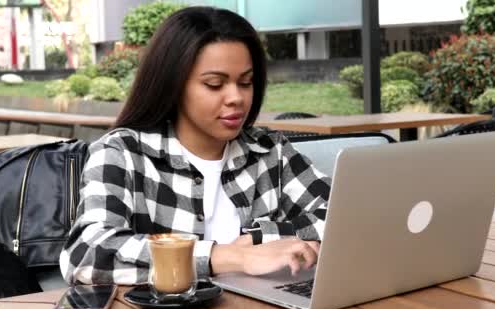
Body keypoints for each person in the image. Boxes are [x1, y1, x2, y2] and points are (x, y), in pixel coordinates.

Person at [59, 6, 330, 285]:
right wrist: (227, 258)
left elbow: (342, 218)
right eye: (214, 84)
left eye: (246, 82)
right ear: (173, 85)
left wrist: (260, 239)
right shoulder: (122, 153)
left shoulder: (270, 152)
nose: (236, 97)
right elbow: (85, 254)